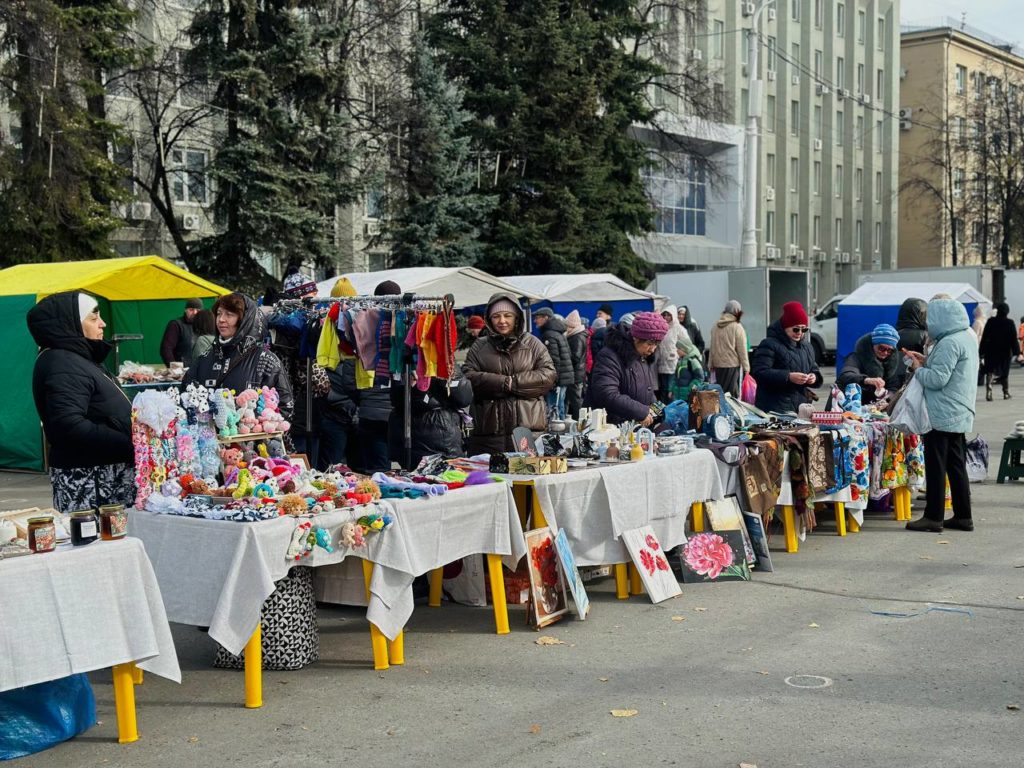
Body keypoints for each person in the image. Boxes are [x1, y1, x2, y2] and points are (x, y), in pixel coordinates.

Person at [27, 292, 135, 512]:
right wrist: (128, 443)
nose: (102, 324)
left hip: (104, 480)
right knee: (100, 543)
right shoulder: (62, 363)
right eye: (93, 318)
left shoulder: (78, 357)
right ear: (72, 325)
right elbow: (68, 425)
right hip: (90, 486)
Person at [903, 297, 980, 532]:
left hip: (942, 413)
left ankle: (933, 517)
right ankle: (963, 516)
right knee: (956, 466)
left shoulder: (948, 343)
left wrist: (917, 369)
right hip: (959, 411)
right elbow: (950, 370)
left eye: (931, 318)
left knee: (936, 466)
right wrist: (927, 361)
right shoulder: (965, 337)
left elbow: (937, 380)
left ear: (941, 318)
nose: (928, 324)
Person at [463, 293, 556, 454]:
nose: (502, 321)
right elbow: (468, 377)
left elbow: (548, 376)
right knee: (488, 478)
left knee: (526, 478)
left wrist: (514, 383)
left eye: (507, 315)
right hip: (488, 435)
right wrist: (503, 383)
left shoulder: (533, 344)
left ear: (517, 317)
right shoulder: (479, 346)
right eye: (496, 316)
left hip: (527, 433)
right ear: (489, 319)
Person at [184, 292, 294, 420]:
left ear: (244, 321)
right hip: (210, 438)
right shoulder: (205, 358)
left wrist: (256, 424)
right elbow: (186, 393)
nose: (221, 319)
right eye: (219, 313)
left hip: (254, 438)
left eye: (229, 315)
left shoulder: (266, 360)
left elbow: (286, 407)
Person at [273, 273, 330, 466]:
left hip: (296, 406)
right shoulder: (299, 324)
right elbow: (314, 380)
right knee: (303, 454)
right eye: (312, 293)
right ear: (302, 297)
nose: (317, 297)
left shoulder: (281, 323)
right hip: (302, 406)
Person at [588, 311, 667, 425]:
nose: (652, 349)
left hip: (634, 428)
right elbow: (606, 393)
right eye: (649, 343)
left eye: (656, 344)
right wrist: (642, 412)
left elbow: (647, 392)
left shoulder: (642, 357)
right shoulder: (609, 356)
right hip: (610, 428)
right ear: (636, 338)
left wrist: (656, 412)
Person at [388, 366, 474, 469]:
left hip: (413, 434)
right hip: (438, 437)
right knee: (440, 477)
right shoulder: (435, 358)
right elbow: (464, 397)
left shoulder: (402, 357)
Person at [751, 301, 823, 413]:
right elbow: (759, 372)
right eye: (796, 329)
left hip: (800, 407)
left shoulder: (807, 347)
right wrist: (788, 376)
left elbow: (813, 368)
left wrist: (813, 377)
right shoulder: (769, 344)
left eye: (803, 329)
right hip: (774, 408)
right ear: (785, 327)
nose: (799, 332)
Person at [836, 323, 906, 405]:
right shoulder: (857, 357)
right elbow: (846, 375)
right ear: (873, 345)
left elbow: (894, 388)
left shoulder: (893, 363)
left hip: (875, 408)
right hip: (849, 404)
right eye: (881, 348)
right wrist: (866, 380)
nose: (885, 352)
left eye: (889, 350)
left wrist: (887, 397)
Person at [533, 307, 573, 420]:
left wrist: (553, 381)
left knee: (553, 409)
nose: (535, 321)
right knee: (559, 407)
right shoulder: (557, 332)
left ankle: (556, 435)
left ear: (546, 318)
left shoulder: (549, 334)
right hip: (562, 378)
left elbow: (553, 360)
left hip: (557, 379)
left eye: (537, 318)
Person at [979, 302, 1021, 401]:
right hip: (1005, 352)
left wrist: (981, 351)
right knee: (1004, 372)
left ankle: (989, 390)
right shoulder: (1010, 323)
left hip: (991, 351)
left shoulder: (990, 321)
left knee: (990, 371)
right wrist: (1017, 352)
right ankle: (1005, 393)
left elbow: (985, 337)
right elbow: (1013, 339)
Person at [708, 299, 749, 398]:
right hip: (732, 365)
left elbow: (712, 346)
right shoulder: (737, 327)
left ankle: (721, 412)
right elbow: (742, 349)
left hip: (718, 365)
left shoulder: (715, 326)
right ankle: (731, 413)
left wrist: (710, 363)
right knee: (732, 395)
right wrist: (746, 367)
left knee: (720, 393)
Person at [655, 305, 689, 402]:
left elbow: (687, 345)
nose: (666, 317)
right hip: (661, 364)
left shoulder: (679, 328)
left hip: (673, 365)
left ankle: (672, 411)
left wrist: (678, 355)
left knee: (671, 390)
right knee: (663, 389)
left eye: (668, 315)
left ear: (673, 316)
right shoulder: (661, 328)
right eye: (664, 315)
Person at [159, 298, 203, 367]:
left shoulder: (203, 326)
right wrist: (174, 369)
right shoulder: (176, 325)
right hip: (182, 370)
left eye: (198, 310)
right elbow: (166, 349)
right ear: (185, 310)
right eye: (191, 309)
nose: (195, 312)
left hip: (200, 369)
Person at [564, 310, 588, 420]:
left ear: (572, 326)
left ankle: (580, 421)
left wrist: (565, 358)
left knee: (575, 399)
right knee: (575, 398)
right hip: (577, 372)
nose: (566, 328)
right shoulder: (577, 335)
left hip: (576, 373)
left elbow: (576, 356)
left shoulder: (577, 337)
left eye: (567, 325)